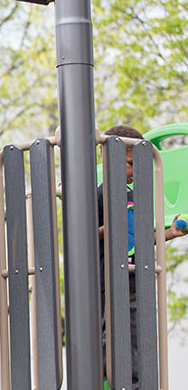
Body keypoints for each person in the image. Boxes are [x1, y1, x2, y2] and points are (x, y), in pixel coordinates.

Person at [97, 124, 187, 389]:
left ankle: (137, 382)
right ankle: (106, 379)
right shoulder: (99, 195)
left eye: (137, 164)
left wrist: (169, 233)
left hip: (135, 275)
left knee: (137, 331)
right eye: (129, 164)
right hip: (108, 278)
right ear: (109, 159)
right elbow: (84, 236)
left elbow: (141, 235)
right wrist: (108, 227)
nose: (134, 171)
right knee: (110, 332)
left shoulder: (134, 196)